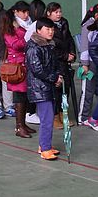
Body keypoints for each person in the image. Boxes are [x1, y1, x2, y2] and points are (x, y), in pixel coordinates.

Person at [26, 18, 62, 161]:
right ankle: (45, 149)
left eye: (52, 29)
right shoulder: (34, 48)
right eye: (47, 29)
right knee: (47, 119)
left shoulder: (49, 46)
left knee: (49, 117)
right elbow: (37, 70)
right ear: (38, 31)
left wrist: (58, 76)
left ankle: (45, 145)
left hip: (48, 87)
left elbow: (54, 65)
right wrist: (54, 78)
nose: (51, 32)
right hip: (39, 88)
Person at [2, 4, 35, 138]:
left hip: (26, 64)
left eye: (27, 12)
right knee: (19, 96)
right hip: (17, 67)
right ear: (16, 12)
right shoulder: (10, 27)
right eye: (23, 12)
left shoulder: (27, 25)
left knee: (25, 95)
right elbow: (15, 44)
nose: (26, 15)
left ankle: (23, 124)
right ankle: (19, 126)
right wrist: (29, 37)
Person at [78, 3, 98, 125]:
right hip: (89, 63)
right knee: (88, 91)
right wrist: (85, 64)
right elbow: (85, 47)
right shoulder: (88, 26)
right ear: (96, 15)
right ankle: (83, 117)